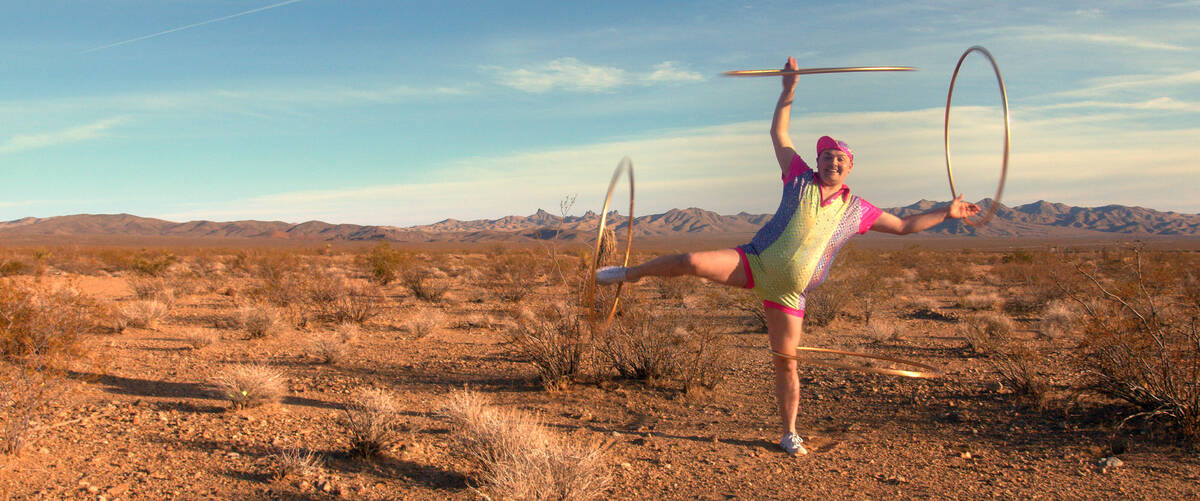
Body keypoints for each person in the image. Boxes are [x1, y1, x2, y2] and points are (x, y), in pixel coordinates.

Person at [595, 56, 980, 456]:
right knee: (689, 261)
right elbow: (779, 133)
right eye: (827, 156)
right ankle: (630, 273)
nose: (832, 161)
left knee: (786, 362)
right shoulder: (797, 176)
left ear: (849, 167)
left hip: (790, 294)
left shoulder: (858, 210)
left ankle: (789, 432)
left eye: (839, 158)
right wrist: (788, 91)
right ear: (817, 162)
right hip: (754, 263)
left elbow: (903, 226)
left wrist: (946, 212)